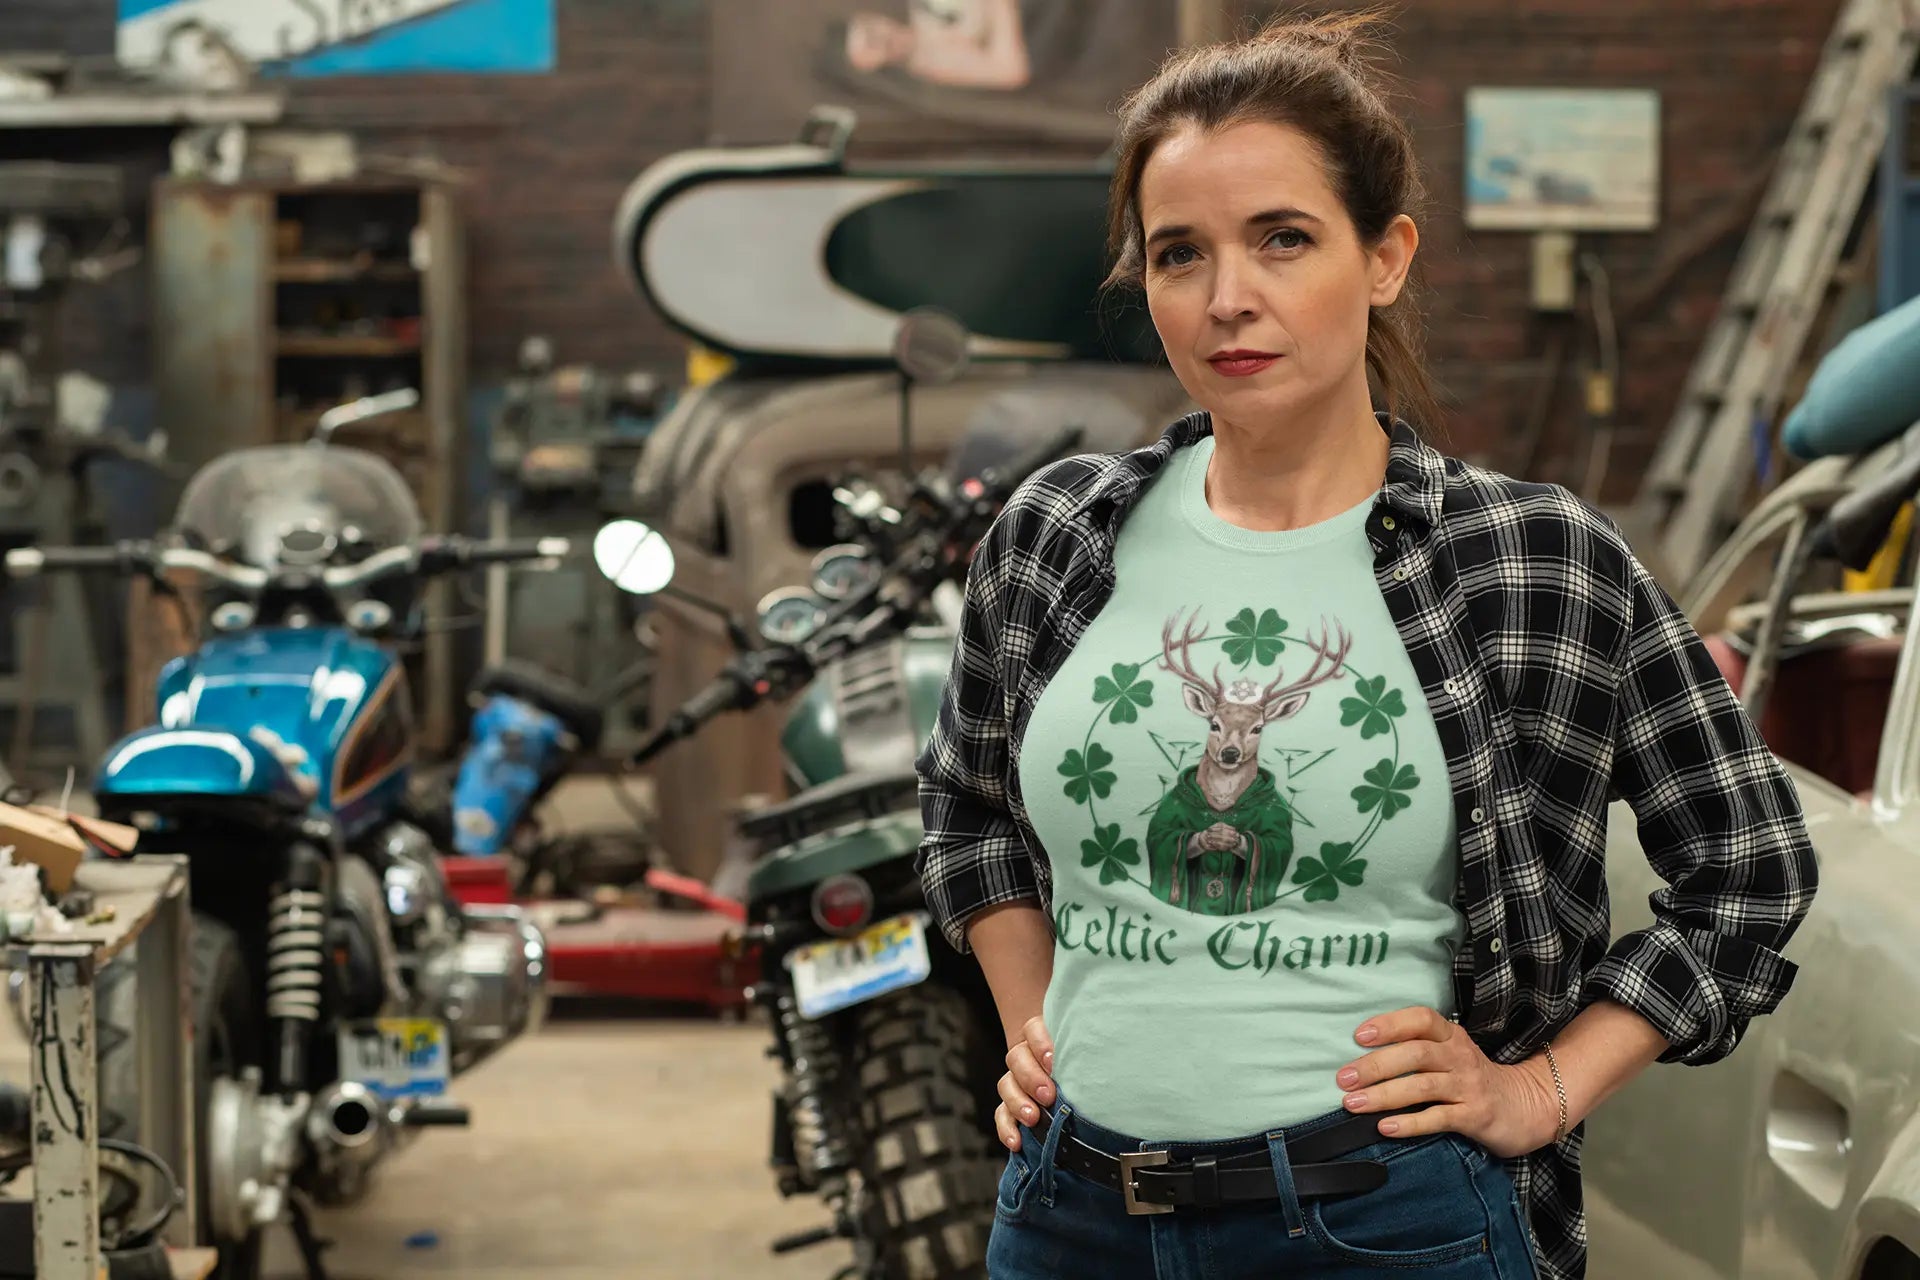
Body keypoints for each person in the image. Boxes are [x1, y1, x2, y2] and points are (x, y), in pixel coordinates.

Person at [913, 12, 1818, 1279]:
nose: (1231, 297)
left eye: (1283, 238)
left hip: (1383, 1223)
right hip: (1071, 1214)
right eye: (1181, 254)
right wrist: (1029, 1020)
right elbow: (969, 814)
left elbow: (1749, 869)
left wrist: (1544, 1091)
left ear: (1385, 256)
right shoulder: (1058, 536)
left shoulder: (1530, 561)